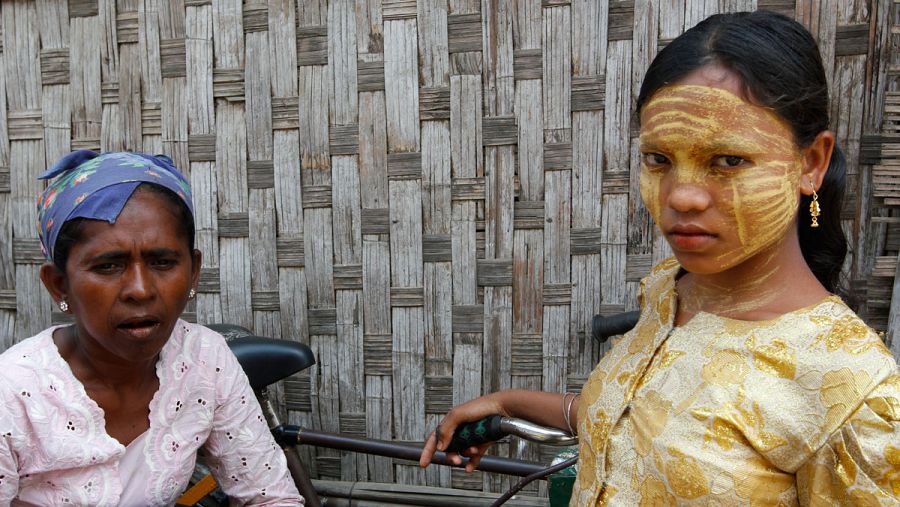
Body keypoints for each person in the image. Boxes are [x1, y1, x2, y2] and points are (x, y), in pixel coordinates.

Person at [420, 10, 899, 506]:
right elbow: (642, 418)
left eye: (729, 161)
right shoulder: (671, 289)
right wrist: (507, 404)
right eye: (659, 159)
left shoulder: (851, 391)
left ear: (811, 164)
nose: (683, 196)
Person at [0, 151, 303, 505]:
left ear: (193, 272)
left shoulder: (205, 359)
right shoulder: (14, 394)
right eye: (108, 266)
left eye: (163, 262)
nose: (141, 290)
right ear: (58, 284)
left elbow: (268, 496)